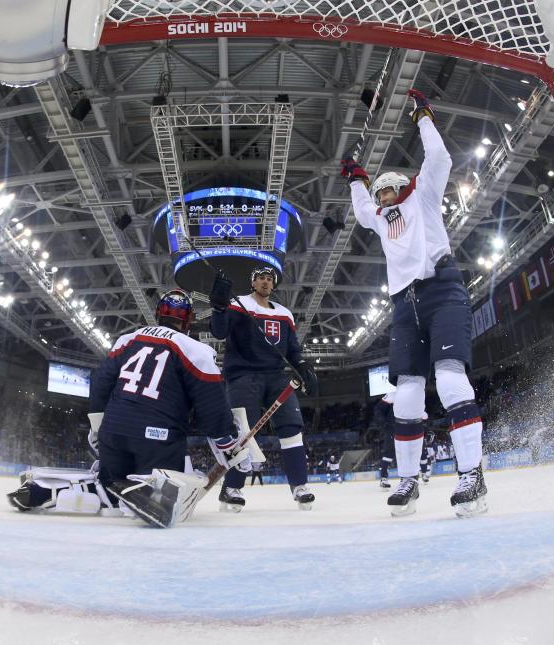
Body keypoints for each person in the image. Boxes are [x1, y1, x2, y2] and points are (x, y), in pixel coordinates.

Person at [341, 89, 488, 518]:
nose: (385, 196)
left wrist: (423, 116)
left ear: (404, 189)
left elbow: (439, 160)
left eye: (391, 190)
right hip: (404, 306)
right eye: (381, 192)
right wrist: (356, 180)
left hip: (442, 290)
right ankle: (408, 481)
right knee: (405, 395)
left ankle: (472, 475)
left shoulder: (422, 197)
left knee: (448, 379)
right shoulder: (381, 220)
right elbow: (362, 208)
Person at [85, 289, 250, 528]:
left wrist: (97, 429)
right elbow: (210, 403)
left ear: (157, 313)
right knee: (170, 492)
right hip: (157, 440)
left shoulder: (127, 339)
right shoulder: (196, 350)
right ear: (189, 319)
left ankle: (100, 489)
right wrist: (227, 442)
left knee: (112, 487)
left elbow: (100, 384)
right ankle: (151, 492)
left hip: (113, 435)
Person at [209, 266, 319, 511]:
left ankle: (299, 486)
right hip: (243, 375)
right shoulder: (239, 305)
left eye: (269, 279)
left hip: (276, 376)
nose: (265, 282)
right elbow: (218, 332)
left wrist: (303, 366)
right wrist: (218, 308)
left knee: (292, 426)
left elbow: (292, 350)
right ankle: (232, 488)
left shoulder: (284, 313)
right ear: (253, 282)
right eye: (260, 278)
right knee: (244, 433)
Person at [374, 387, 396, 488]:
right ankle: (384, 479)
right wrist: (385, 424)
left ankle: (408, 478)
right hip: (393, 429)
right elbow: (378, 409)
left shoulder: (411, 392)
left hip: (407, 427)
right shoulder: (392, 394)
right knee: (389, 454)